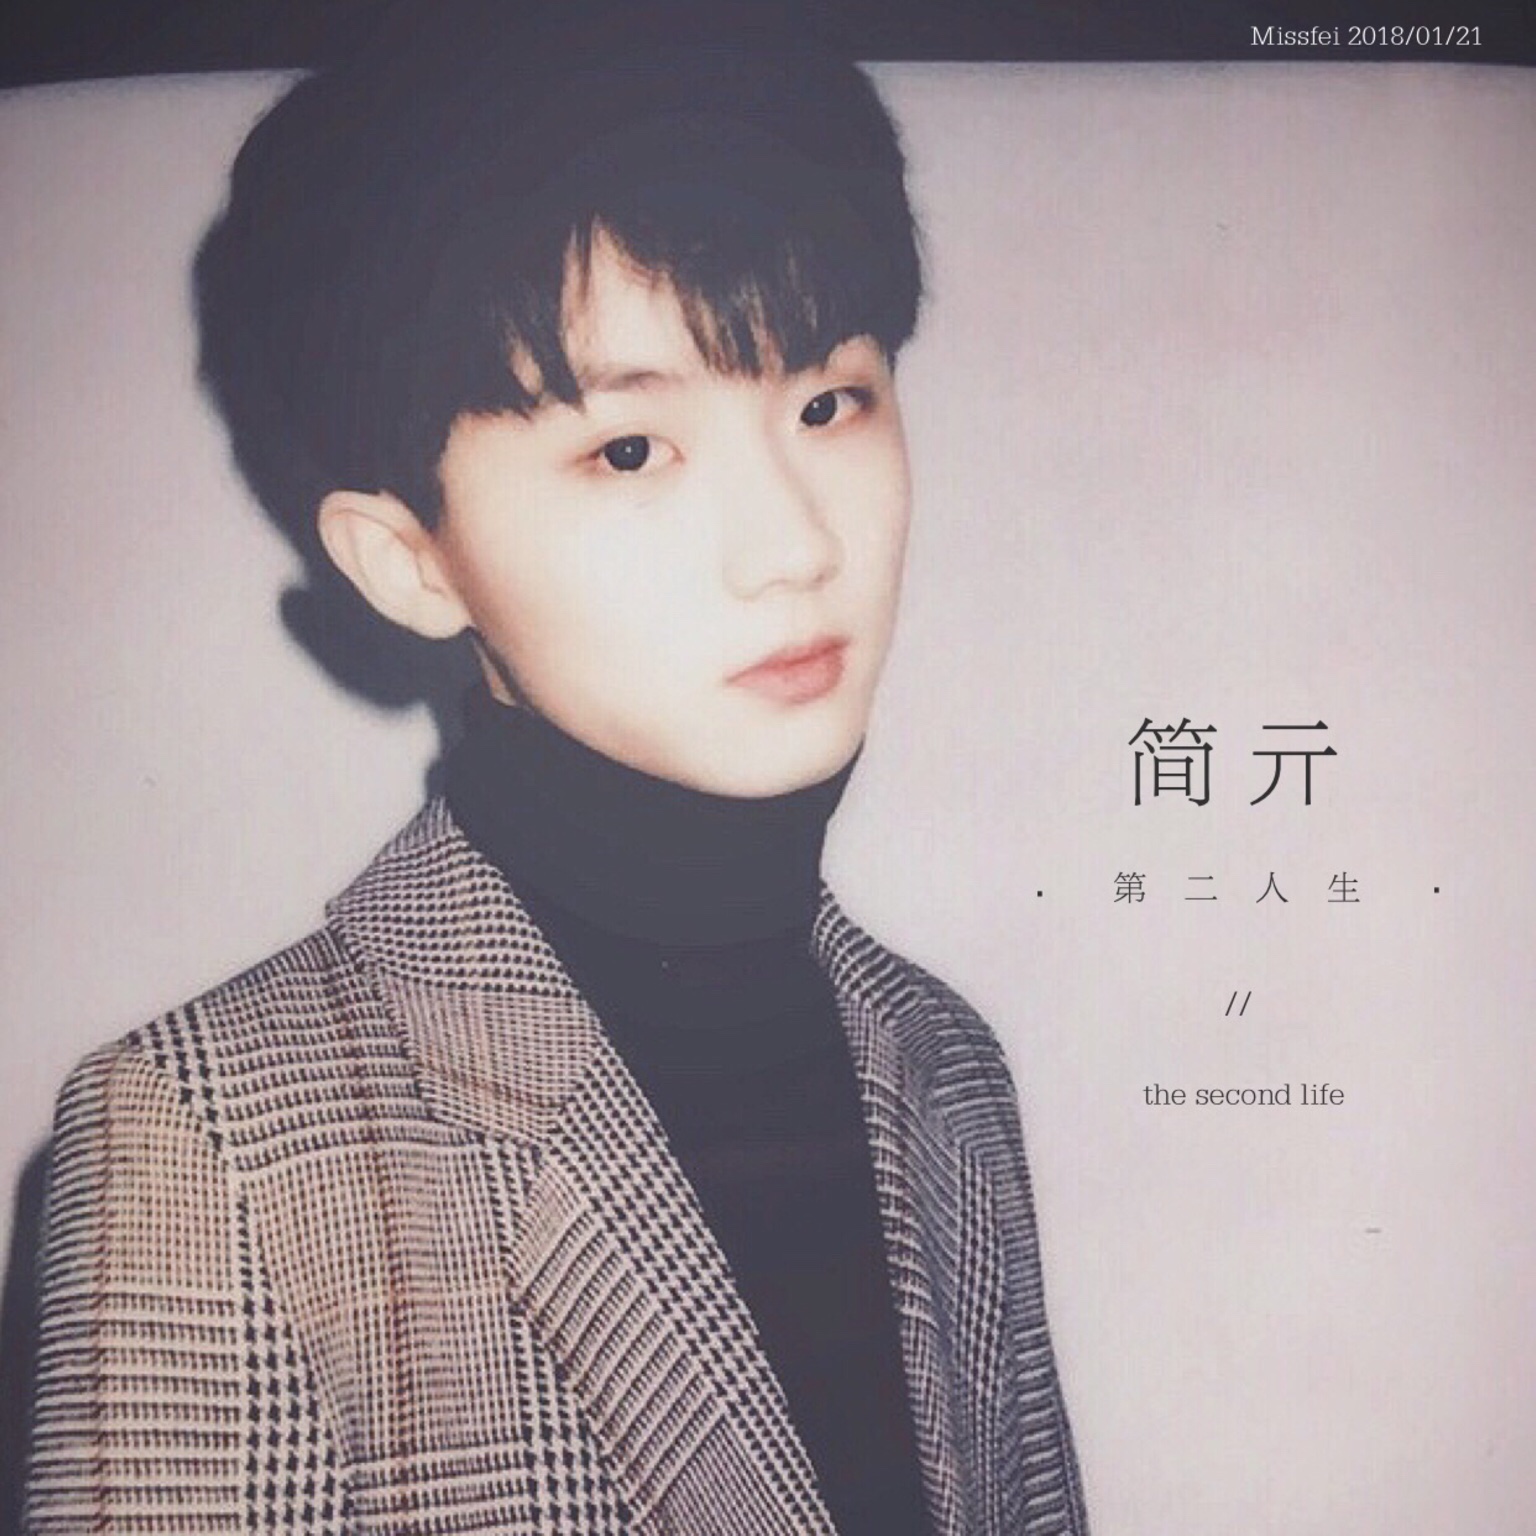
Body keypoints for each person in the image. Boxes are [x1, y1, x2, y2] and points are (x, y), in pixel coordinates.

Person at [24, 3, 1087, 1532]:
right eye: (631, 450)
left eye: (828, 402)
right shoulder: (207, 1141)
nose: (797, 545)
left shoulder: (945, 1061)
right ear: (410, 563)